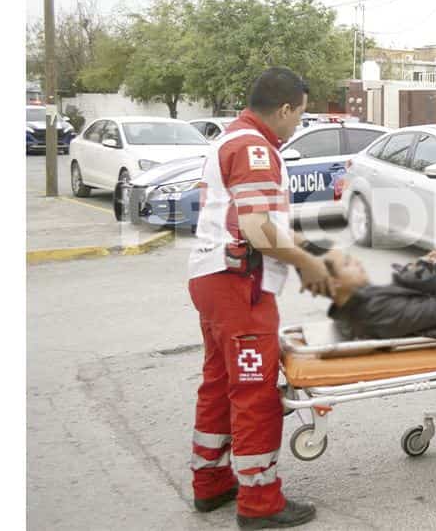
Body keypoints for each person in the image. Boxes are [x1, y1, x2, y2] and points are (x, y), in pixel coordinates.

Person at [186, 67, 327, 529]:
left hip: (214, 279)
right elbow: (256, 229)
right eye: (300, 116)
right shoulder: (253, 148)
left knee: (219, 381)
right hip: (237, 284)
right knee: (254, 390)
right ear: (285, 108)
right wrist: (308, 264)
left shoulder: (231, 138)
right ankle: (259, 499)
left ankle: (211, 482)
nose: (297, 126)